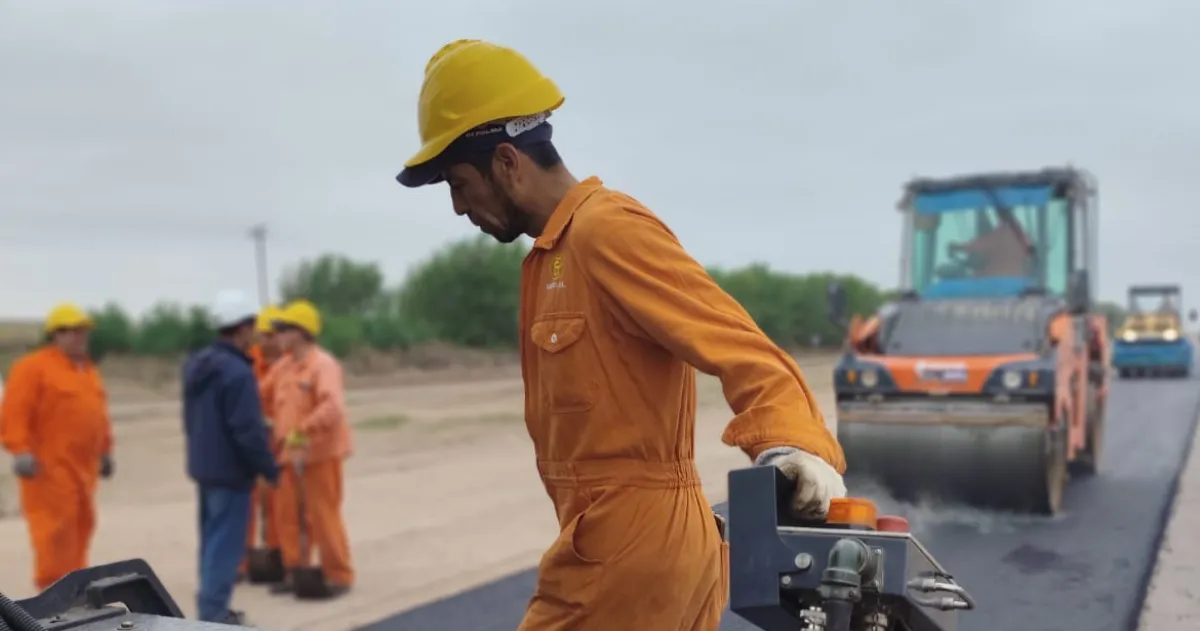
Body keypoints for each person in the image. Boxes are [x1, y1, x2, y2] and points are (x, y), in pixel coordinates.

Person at [394, 39, 846, 631]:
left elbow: (738, 343)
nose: (458, 207)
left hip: (629, 551)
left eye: (458, 183)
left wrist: (795, 443)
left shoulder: (606, 231)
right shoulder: (554, 257)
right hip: (624, 545)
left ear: (506, 163)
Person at [182, 290, 280, 624]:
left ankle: (209, 605)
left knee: (211, 542)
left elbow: (191, 419)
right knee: (225, 546)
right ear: (241, 329)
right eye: (251, 326)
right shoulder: (238, 373)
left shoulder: (197, 366)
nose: (253, 333)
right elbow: (246, 430)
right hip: (231, 472)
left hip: (205, 468)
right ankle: (213, 614)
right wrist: (268, 468)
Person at [1, 303, 114, 591]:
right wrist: (20, 450)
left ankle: (75, 594)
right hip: (48, 470)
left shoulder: (87, 371)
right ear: (56, 334)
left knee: (81, 527)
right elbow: (14, 412)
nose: (80, 337)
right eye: (73, 332)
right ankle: (52, 597)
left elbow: (98, 414)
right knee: (54, 534)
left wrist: (106, 450)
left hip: (83, 470)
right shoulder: (33, 368)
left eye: (83, 331)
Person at [262, 299, 354, 599]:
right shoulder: (283, 367)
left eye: (284, 329)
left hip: (320, 456)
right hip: (290, 456)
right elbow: (258, 395)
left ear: (301, 333)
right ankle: (296, 572)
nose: (277, 336)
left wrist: (302, 429)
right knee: (288, 516)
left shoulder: (322, 365)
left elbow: (332, 407)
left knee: (322, 516)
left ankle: (338, 575)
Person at [240, 304, 285, 582]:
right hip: (250, 445)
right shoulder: (247, 363)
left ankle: (276, 557)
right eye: (264, 335)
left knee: (278, 506)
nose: (269, 340)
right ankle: (241, 562)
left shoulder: (289, 365)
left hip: (279, 445)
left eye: (274, 335)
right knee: (246, 505)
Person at [948, 210, 1030, 277]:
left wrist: (960, 248)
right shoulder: (1022, 235)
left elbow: (982, 245)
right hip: (1015, 281)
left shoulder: (1005, 232)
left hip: (998, 281)